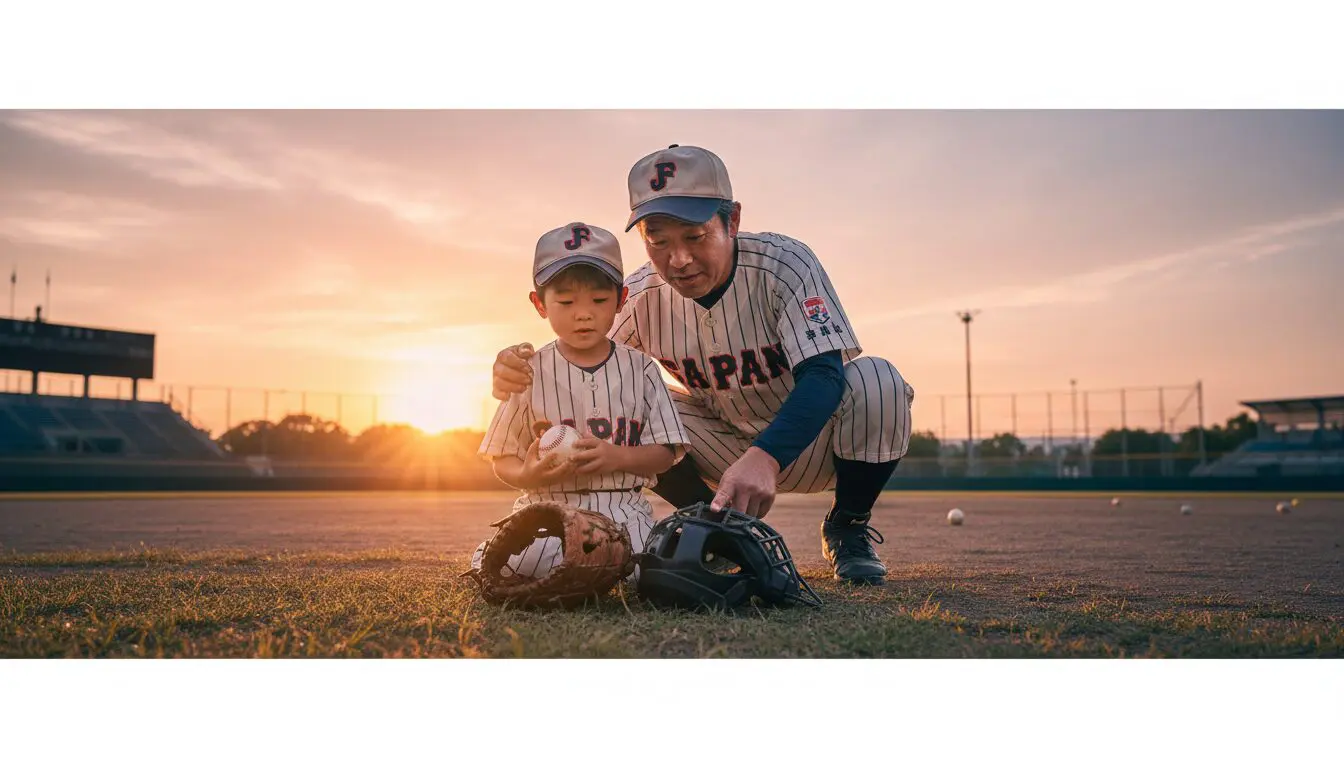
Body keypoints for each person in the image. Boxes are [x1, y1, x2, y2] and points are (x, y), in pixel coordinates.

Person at [492, 145, 915, 586]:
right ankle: (716, 530)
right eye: (658, 240)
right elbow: (576, 371)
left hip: (815, 441)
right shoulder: (639, 297)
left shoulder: (784, 265)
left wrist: (765, 457)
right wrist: (516, 367)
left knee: (878, 380)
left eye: (694, 236)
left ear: (731, 221)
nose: (678, 259)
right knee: (638, 401)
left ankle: (847, 526)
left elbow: (825, 373)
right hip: (713, 444)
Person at [470, 222, 691, 581]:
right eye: (567, 301)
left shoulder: (641, 369)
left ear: (621, 300)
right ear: (539, 303)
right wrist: (525, 474)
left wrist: (617, 456)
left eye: (600, 300)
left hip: (623, 508)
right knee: (520, 564)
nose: (583, 313)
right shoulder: (528, 371)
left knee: (645, 570)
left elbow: (666, 453)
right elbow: (502, 456)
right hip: (547, 510)